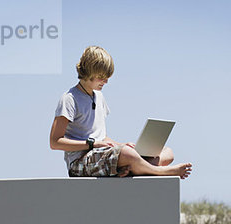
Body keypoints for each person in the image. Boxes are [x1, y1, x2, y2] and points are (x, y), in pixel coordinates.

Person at [50, 46, 192, 179]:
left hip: (101, 155)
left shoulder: (98, 96)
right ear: (89, 72)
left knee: (166, 152)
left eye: (107, 77)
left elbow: (102, 137)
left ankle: (135, 168)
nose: (105, 81)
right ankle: (158, 171)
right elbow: (55, 142)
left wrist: (121, 144)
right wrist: (92, 144)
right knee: (127, 154)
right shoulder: (69, 99)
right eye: (101, 77)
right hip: (80, 162)